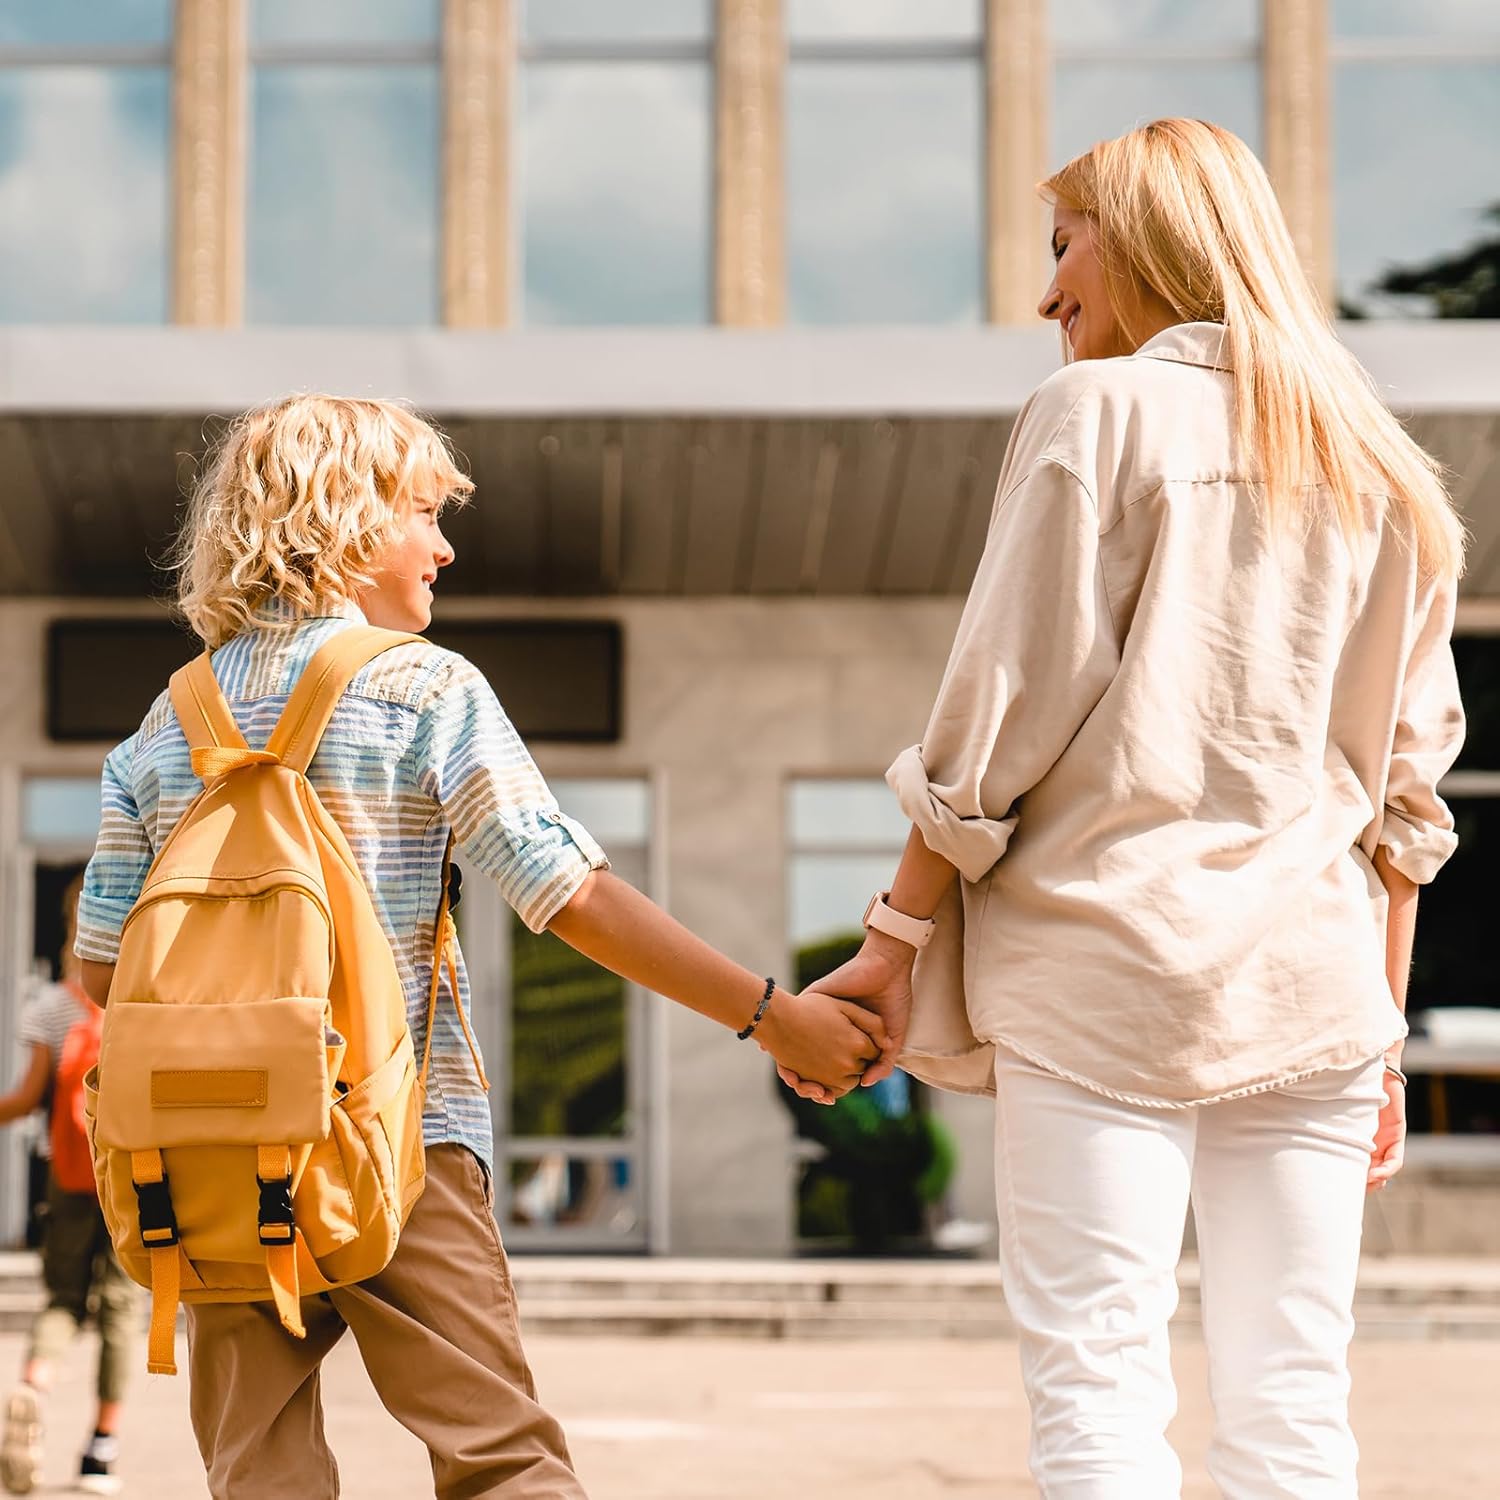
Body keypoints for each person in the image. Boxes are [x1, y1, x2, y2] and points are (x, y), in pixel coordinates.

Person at [782, 118, 1466, 1497]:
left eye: (1061, 247)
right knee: (1294, 1406)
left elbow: (997, 717)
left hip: (1106, 971)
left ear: (1149, 241)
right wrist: (1382, 1040)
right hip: (1317, 993)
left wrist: (892, 939)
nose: (1047, 297)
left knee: (1098, 1381)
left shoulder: (1096, 417)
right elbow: (1408, 802)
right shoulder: (1379, 466)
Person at [73, 395, 886, 1500]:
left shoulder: (162, 730)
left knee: (258, 1474)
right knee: (500, 1461)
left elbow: (104, 972)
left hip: (212, 1158)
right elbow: (572, 896)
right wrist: (771, 1014)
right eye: (422, 513)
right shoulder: (425, 689)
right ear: (344, 520)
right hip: (401, 1142)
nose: (445, 546)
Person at [0, 876, 137, 1496]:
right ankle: (99, 1455)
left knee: (61, 1298)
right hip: (137, 1181)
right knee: (119, 1310)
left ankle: (33, 1385)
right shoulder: (145, 1004)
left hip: (69, 1177)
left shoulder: (51, 1006)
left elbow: (28, 1099)